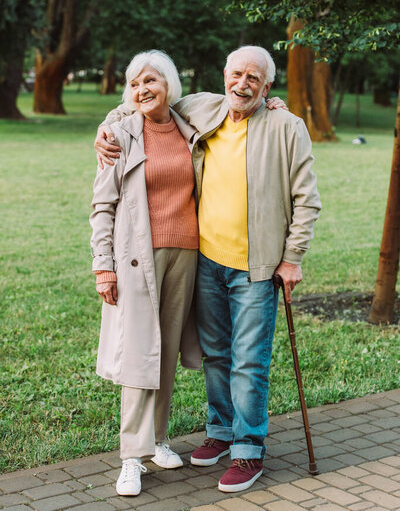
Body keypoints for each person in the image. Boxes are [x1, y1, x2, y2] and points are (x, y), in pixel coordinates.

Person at [95, 45, 321, 493]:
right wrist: (106, 126)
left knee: (249, 361)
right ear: (223, 75)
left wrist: (292, 257)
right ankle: (217, 432)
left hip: (253, 267)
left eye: (254, 79)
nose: (243, 84)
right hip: (206, 261)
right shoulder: (203, 109)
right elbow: (145, 97)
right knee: (214, 356)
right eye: (237, 74)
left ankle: (247, 450)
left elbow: (306, 198)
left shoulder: (286, 125)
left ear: (268, 87)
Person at [90, 50, 203, 497]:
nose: (142, 90)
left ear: (169, 84)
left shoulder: (188, 126)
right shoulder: (118, 133)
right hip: (137, 255)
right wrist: (103, 265)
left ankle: (158, 440)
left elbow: (235, 100)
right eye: (135, 83)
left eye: (151, 81)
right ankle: (131, 458)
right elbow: (102, 205)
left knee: (167, 349)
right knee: (139, 352)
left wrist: (276, 103)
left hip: (186, 253)